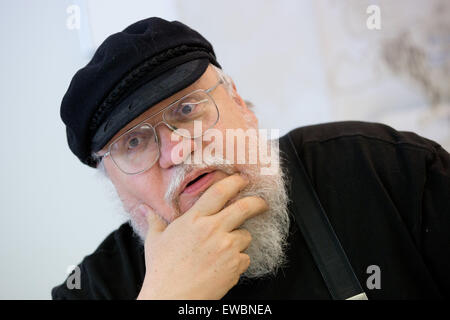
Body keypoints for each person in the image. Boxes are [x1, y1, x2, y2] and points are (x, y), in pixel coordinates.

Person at [52, 17, 450, 299]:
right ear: (112, 181)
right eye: (135, 142)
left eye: (187, 110)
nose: (178, 150)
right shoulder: (94, 290)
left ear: (239, 102)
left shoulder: (387, 171)